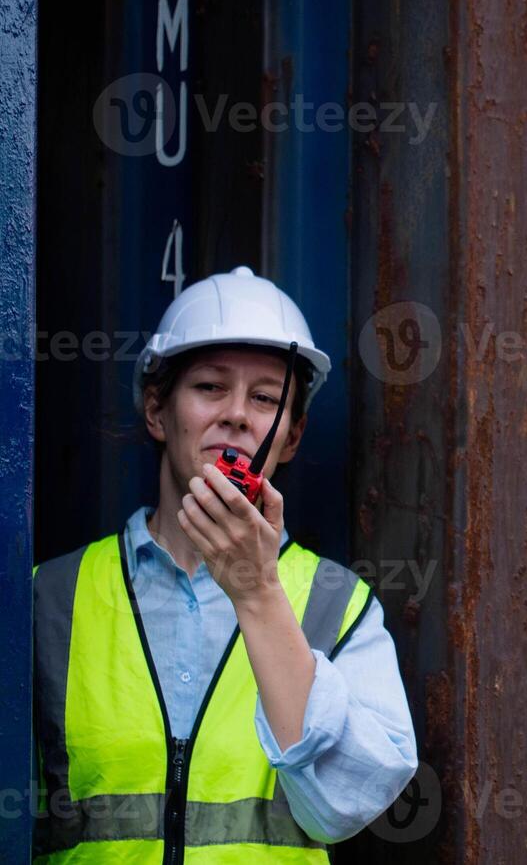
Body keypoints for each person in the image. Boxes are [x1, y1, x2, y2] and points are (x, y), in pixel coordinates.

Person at [32, 266, 418, 861]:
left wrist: (257, 592)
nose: (238, 414)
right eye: (211, 387)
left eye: (265, 398)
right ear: (158, 412)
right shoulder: (48, 597)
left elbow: (347, 806)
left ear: (290, 438)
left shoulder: (339, 603)